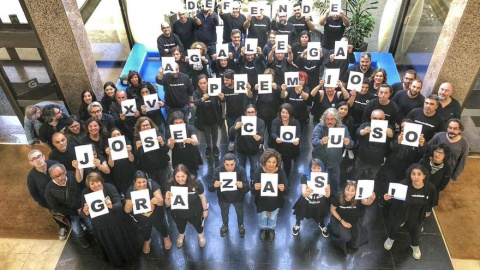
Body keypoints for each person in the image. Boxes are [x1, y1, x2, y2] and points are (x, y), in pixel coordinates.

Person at [81, 172, 142, 266]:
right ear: (89, 185)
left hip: (116, 222)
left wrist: (111, 205)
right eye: (92, 183)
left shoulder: (109, 187)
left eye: (97, 182)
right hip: (101, 226)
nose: (96, 185)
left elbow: (119, 204)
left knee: (122, 241)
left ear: (101, 181)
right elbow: (84, 213)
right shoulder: (85, 193)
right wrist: (86, 212)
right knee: (110, 245)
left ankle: (129, 255)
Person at [382, 164, 437, 260]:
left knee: (416, 231)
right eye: (413, 174)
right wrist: (387, 198)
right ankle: (391, 238)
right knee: (394, 226)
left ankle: (415, 246)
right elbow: (395, 199)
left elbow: (432, 201)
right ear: (410, 175)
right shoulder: (403, 184)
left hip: (417, 214)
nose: (416, 177)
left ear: (424, 176)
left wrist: (428, 211)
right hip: (401, 212)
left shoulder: (430, 188)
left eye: (419, 174)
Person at [45, 163, 94, 248]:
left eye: (61, 174)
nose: (60, 178)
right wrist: (75, 212)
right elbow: (57, 207)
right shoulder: (49, 190)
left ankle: (94, 234)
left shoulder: (73, 175)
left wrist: (84, 205)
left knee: (90, 223)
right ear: (51, 176)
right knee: (76, 229)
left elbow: (84, 189)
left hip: (84, 207)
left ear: (65, 171)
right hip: (71, 213)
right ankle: (82, 238)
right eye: (56, 176)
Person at [125, 170, 172, 253]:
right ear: (134, 182)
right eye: (139, 182)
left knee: (161, 226)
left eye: (144, 181)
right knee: (144, 230)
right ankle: (147, 240)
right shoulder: (130, 190)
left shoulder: (152, 185)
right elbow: (126, 210)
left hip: (156, 215)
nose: (142, 185)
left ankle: (166, 236)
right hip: (141, 218)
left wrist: (157, 200)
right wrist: (128, 205)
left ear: (147, 180)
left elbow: (161, 202)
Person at [26, 150, 69, 240]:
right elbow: (34, 193)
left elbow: (66, 176)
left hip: (65, 196)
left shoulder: (55, 164)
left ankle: (77, 222)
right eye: (34, 159)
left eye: (39, 156)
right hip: (50, 202)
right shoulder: (31, 177)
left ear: (43, 156)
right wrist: (45, 204)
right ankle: (63, 227)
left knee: (71, 211)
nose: (38, 160)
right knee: (57, 215)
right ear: (31, 163)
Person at [376, 119, 426, 195]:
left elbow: (424, 152)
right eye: (402, 126)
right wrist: (397, 143)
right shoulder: (398, 136)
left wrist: (422, 145)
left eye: (406, 126)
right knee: (386, 186)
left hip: (407, 169)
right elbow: (391, 147)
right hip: (392, 167)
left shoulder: (419, 139)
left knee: (401, 188)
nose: (404, 128)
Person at [312, 108, 354, 196]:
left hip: (335, 161)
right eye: (327, 119)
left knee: (335, 182)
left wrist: (348, 143)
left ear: (337, 119)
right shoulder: (319, 127)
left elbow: (351, 144)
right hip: (320, 161)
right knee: (317, 183)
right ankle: (319, 199)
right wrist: (321, 142)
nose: (329, 121)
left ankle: (335, 199)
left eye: (332, 119)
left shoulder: (343, 128)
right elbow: (314, 142)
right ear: (324, 119)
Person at [165, 164, 209, 248]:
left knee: (198, 225)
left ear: (187, 175)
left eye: (183, 176)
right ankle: (181, 234)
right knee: (180, 226)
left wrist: (205, 209)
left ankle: (201, 235)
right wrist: (167, 198)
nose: (180, 179)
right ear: (174, 176)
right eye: (178, 177)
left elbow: (202, 197)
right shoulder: (170, 184)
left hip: (194, 212)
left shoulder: (196, 183)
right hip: (177, 213)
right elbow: (168, 204)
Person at [329, 180, 376, 256]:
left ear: (356, 191)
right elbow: (332, 209)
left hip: (353, 220)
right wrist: (343, 222)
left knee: (355, 244)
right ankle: (335, 233)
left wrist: (372, 198)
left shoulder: (358, 196)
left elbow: (366, 202)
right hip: (340, 219)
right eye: (347, 189)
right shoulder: (338, 196)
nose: (349, 193)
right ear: (344, 189)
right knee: (346, 238)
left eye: (352, 190)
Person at [251, 148, 288, 241]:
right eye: (269, 161)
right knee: (263, 216)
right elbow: (252, 190)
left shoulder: (281, 172)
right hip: (262, 201)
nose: (271, 165)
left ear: (277, 163)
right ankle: (263, 228)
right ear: (264, 161)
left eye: (274, 162)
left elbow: (287, 187)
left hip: (276, 201)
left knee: (273, 217)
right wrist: (255, 187)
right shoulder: (258, 171)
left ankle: (271, 229)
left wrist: (283, 188)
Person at [209, 153, 250, 237]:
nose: (229, 167)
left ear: (235, 163)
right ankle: (225, 225)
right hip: (223, 198)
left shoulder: (241, 170)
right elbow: (210, 187)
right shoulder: (218, 171)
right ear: (223, 163)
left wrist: (242, 185)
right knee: (224, 212)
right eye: (227, 165)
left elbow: (247, 187)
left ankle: (241, 225)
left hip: (238, 198)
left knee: (240, 212)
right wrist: (214, 185)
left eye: (232, 164)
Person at [292, 158, 331, 237]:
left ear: (322, 168)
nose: (316, 170)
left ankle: (322, 224)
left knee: (320, 215)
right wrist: (308, 192)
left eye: (318, 168)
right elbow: (303, 193)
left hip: (319, 202)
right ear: (310, 168)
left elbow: (327, 195)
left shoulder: (325, 178)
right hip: (306, 202)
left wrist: (327, 192)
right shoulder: (305, 177)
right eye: (314, 168)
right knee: (300, 214)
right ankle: (297, 224)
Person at [353, 110, 394, 181]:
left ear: (384, 119)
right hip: (363, 159)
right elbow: (358, 132)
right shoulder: (365, 125)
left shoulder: (388, 127)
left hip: (377, 161)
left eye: (380, 119)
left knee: (371, 179)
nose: (377, 120)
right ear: (371, 118)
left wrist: (391, 134)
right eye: (375, 118)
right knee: (356, 177)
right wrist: (363, 132)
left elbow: (392, 135)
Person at [219, 69, 253, 152]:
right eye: (224, 80)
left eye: (227, 80)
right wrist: (222, 99)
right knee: (231, 130)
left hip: (241, 113)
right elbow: (222, 102)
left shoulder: (240, 85)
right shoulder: (223, 89)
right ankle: (231, 142)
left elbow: (250, 96)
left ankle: (242, 143)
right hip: (229, 114)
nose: (225, 82)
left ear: (233, 80)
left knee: (242, 130)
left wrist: (248, 90)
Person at [133, 117, 171, 191]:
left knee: (164, 185)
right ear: (139, 128)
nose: (146, 127)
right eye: (143, 126)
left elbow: (166, 150)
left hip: (162, 166)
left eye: (148, 125)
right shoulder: (137, 139)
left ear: (151, 125)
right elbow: (137, 156)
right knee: (154, 187)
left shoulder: (158, 134)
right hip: (148, 168)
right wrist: (138, 148)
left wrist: (162, 143)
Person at [230, 105, 265, 178]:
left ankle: (253, 180)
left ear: (256, 113)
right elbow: (231, 132)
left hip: (254, 150)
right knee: (241, 167)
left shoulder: (260, 122)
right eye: (248, 112)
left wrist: (259, 138)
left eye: (252, 112)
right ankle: (242, 180)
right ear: (245, 113)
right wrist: (235, 127)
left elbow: (262, 138)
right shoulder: (240, 120)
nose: (250, 114)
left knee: (254, 168)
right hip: (241, 149)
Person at [167, 111, 202, 176]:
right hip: (178, 157)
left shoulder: (190, 128)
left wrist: (190, 141)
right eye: (176, 123)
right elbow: (170, 147)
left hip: (191, 156)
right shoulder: (170, 131)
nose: (178, 124)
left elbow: (196, 141)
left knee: (193, 176)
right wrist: (172, 142)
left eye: (181, 122)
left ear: (184, 122)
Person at [193, 74, 221, 158]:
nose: (203, 85)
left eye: (204, 83)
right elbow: (195, 102)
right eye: (201, 83)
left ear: (208, 83)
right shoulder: (196, 92)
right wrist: (202, 99)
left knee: (215, 134)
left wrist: (222, 98)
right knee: (206, 135)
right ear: (198, 84)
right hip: (203, 118)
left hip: (214, 117)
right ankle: (208, 147)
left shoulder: (214, 90)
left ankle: (215, 146)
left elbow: (220, 100)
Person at [270, 103, 301, 177]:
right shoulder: (275, 121)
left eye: (287, 113)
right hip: (277, 148)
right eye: (283, 112)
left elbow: (298, 134)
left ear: (290, 114)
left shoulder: (295, 122)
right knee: (276, 166)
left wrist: (297, 139)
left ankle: (285, 180)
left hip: (290, 150)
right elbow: (273, 133)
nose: (284, 114)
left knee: (287, 166)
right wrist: (277, 138)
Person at [105, 128, 136, 196]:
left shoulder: (127, 143)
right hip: (117, 174)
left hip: (129, 172)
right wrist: (109, 154)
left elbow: (132, 160)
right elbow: (111, 165)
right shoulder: (108, 146)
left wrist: (128, 151)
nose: (116, 136)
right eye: (114, 135)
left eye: (118, 134)